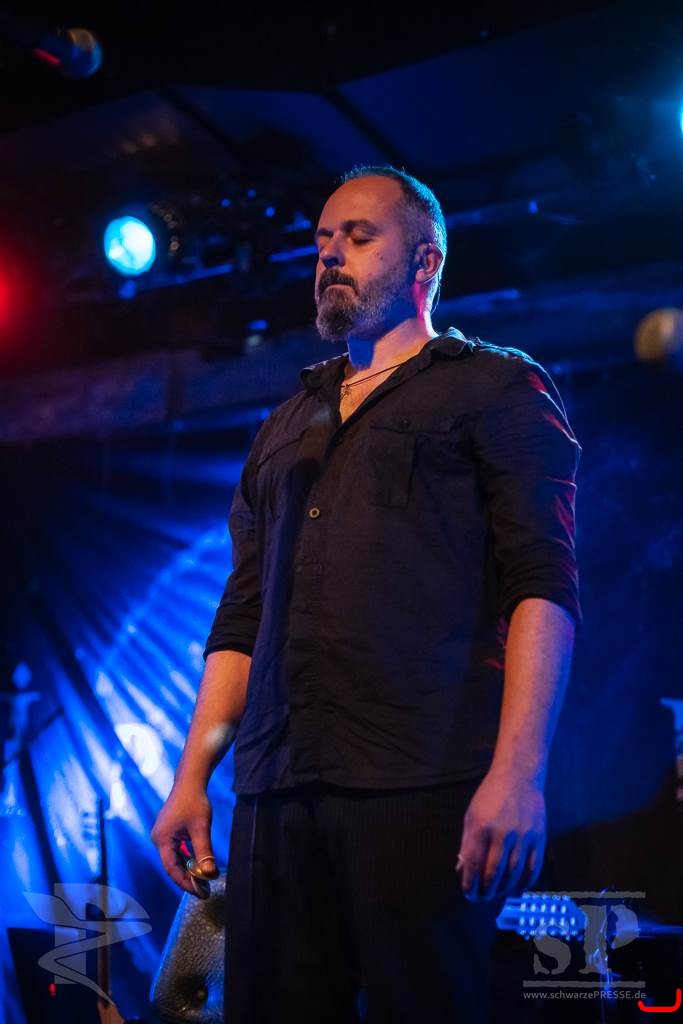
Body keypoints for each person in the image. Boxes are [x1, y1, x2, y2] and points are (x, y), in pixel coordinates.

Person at [151, 164, 581, 1022]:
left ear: (424, 263)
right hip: (275, 787)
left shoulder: (491, 386)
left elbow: (542, 584)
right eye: (321, 241)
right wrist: (191, 776)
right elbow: (242, 617)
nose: (329, 256)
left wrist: (518, 774)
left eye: (357, 237)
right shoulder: (285, 425)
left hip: (418, 781)